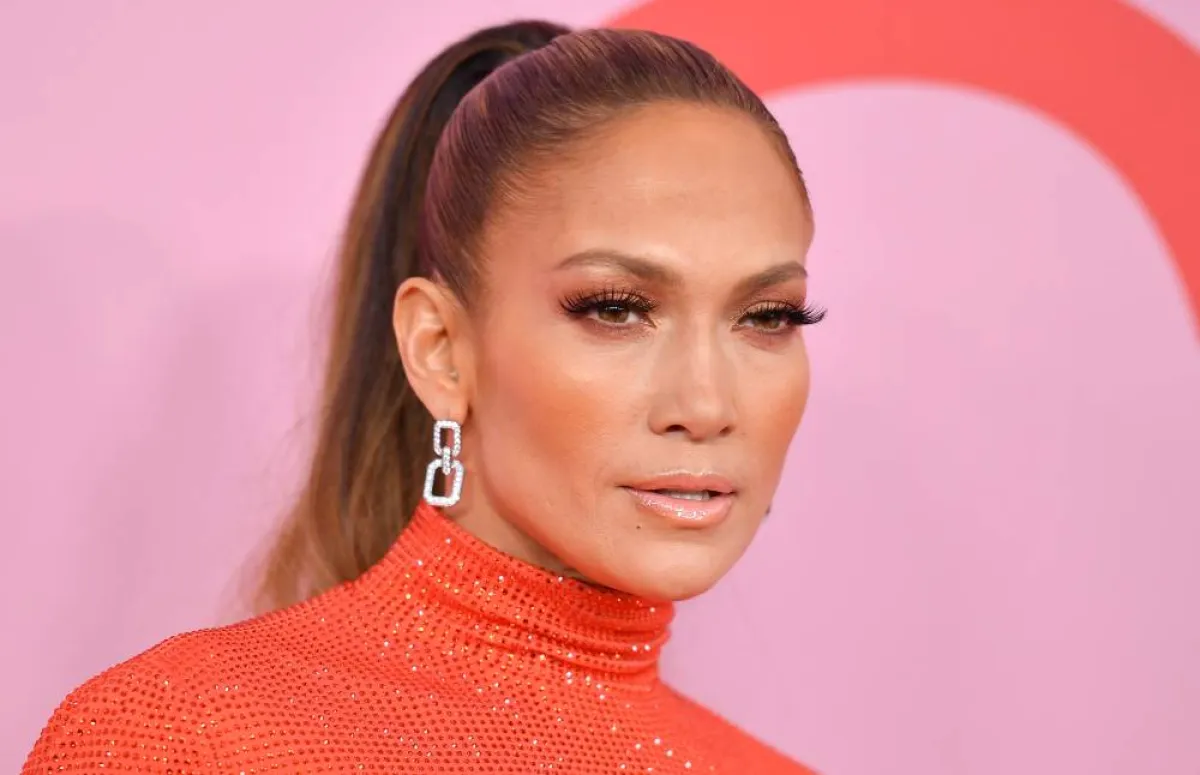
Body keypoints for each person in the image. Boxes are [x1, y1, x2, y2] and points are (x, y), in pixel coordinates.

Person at [23, 19, 824, 775]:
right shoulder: (183, 739)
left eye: (767, 316)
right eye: (614, 307)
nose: (708, 402)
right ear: (439, 350)